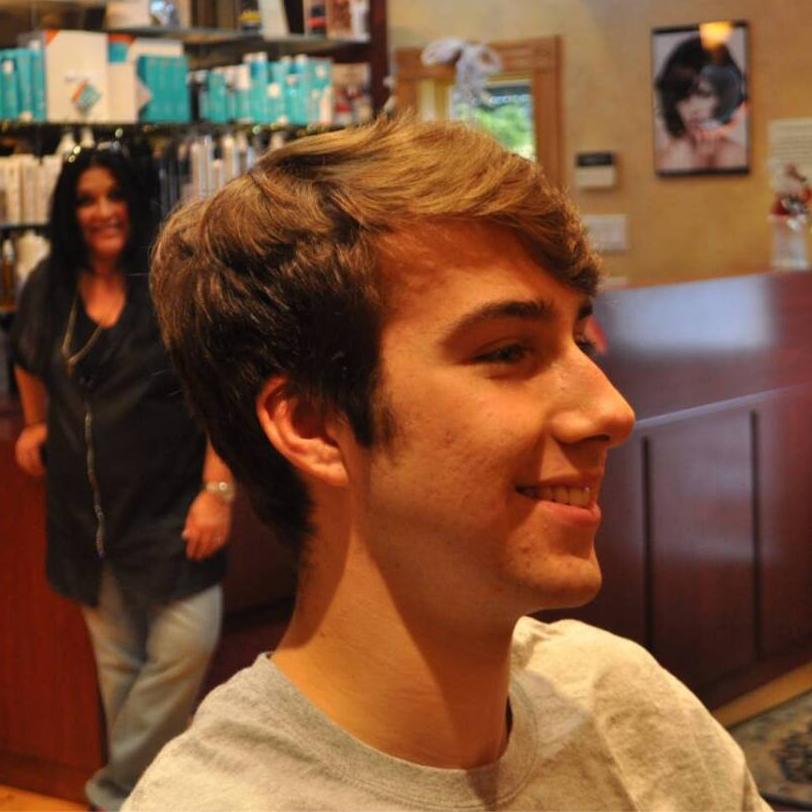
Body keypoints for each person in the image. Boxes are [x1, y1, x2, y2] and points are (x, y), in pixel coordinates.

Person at [124, 117, 769, 811]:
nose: (612, 412)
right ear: (314, 426)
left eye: (579, 341)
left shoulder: (626, 701)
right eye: (507, 352)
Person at [10, 146, 235, 811]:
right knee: (119, 669)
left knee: (187, 646)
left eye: (114, 195)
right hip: (90, 519)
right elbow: (26, 355)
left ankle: (113, 794)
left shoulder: (172, 279)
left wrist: (217, 491)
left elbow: (219, 391)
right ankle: (154, 799)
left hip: (176, 510)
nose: (102, 211)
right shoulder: (48, 285)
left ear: (136, 201)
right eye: (86, 199)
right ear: (68, 210)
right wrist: (35, 423)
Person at [654, 34, 747, 172]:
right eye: (682, 96)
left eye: (704, 94)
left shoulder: (739, 157)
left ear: (723, 96)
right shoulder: (661, 158)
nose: (693, 108)